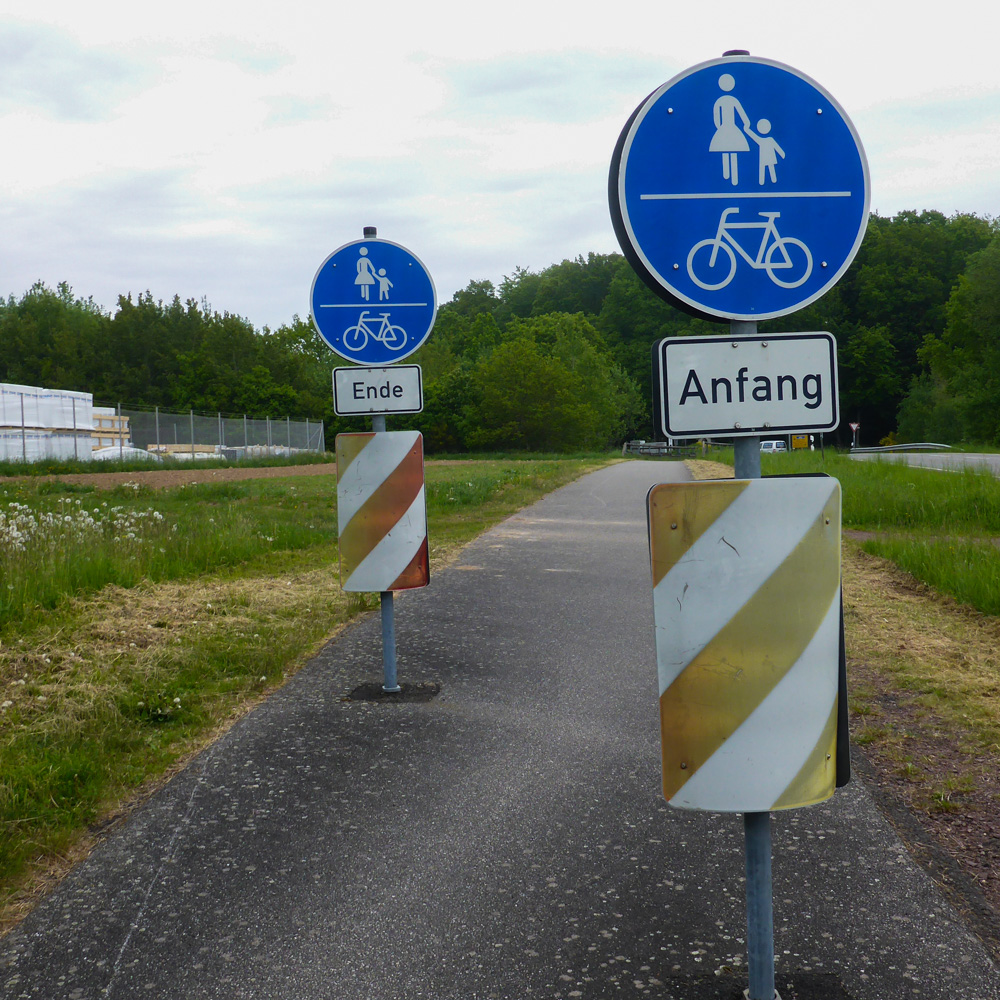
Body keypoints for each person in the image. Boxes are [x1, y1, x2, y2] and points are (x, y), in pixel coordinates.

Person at [709, 73, 751, 186]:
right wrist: (746, 123)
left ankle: (731, 179)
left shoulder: (723, 101)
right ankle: (729, 178)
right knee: (730, 150)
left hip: (725, 128)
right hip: (730, 128)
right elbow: (741, 114)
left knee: (729, 150)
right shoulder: (729, 100)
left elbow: (716, 118)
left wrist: (720, 128)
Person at [746, 119, 785, 185]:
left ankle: (773, 180)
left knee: (770, 168)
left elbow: (777, 147)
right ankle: (762, 182)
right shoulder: (762, 140)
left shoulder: (769, 140)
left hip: (769, 157)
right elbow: (753, 136)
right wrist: (747, 130)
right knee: (763, 169)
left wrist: (782, 154)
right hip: (764, 158)